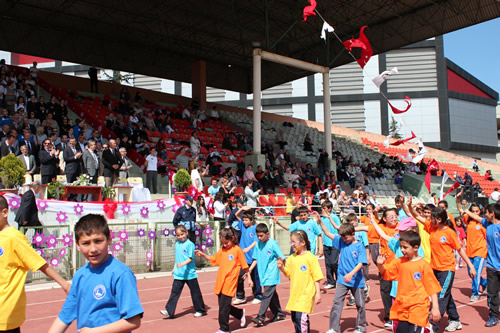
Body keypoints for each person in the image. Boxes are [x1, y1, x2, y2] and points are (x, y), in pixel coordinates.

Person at [48, 214, 143, 332]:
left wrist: (94, 331)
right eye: (86, 243)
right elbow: (65, 316)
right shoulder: (79, 276)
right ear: (77, 245)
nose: (93, 249)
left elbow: (133, 320)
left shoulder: (121, 274)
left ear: (109, 239)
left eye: (98, 241)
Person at [0, 195, 70, 333]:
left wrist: (64, 284)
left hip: (5, 310)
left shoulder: (14, 237)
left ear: (4, 212)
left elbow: (39, 263)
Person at [407, 201, 476, 332]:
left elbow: (460, 250)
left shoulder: (449, 233)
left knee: (441, 296)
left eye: (432, 217)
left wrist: (471, 266)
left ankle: (432, 325)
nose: (429, 219)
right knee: (446, 294)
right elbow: (416, 216)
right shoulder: (431, 227)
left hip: (447, 269)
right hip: (434, 268)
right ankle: (455, 319)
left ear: (439, 219)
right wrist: (410, 206)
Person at [376, 231, 442, 333]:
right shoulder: (399, 262)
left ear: (416, 248)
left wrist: (436, 308)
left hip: (418, 307)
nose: (402, 250)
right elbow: (386, 273)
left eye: (405, 247)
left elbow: (432, 287)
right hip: (402, 306)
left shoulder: (423, 265)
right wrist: (380, 265)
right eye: (401, 247)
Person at [317, 220, 367, 333]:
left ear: (353, 234)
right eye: (343, 238)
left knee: (360, 304)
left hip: (356, 281)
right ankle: (334, 328)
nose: (345, 240)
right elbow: (328, 234)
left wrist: (351, 274)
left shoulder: (359, 246)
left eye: (346, 238)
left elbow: (360, 263)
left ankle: (361, 327)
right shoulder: (341, 241)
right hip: (342, 279)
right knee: (337, 303)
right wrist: (320, 222)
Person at [195, 227, 248, 333]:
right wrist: (204, 255)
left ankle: (224, 328)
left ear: (232, 238)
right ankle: (239, 313)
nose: (224, 245)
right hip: (221, 280)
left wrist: (248, 276)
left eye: (226, 242)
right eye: (222, 243)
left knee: (223, 307)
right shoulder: (222, 250)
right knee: (224, 305)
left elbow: (245, 265)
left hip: (230, 280)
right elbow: (215, 259)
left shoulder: (237, 250)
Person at [458, 201, 500, 327]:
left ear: (492, 213)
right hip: (492, 266)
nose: (484, 214)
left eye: (486, 212)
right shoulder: (487, 224)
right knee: (492, 293)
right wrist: (466, 211)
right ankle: (493, 316)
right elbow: (477, 217)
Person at [277, 230, 323, 333]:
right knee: (295, 320)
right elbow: (288, 273)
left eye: (294, 242)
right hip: (295, 295)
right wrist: (281, 268)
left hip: (306, 295)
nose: (292, 244)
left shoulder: (310, 258)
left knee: (301, 320)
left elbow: (317, 277)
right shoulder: (292, 258)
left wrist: (318, 294)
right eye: (291, 242)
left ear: (303, 243)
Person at [160, 225, 207, 318]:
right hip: (179, 274)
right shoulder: (177, 244)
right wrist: (175, 267)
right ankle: (169, 311)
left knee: (195, 292)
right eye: (178, 235)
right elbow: (177, 258)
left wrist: (182, 264)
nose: (181, 237)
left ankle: (200, 309)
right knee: (174, 293)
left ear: (186, 233)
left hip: (190, 274)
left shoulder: (190, 244)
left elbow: (190, 258)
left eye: (182, 234)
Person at [248, 223, 286, 326]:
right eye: (258, 236)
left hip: (271, 274)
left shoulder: (273, 243)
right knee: (272, 295)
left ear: (267, 234)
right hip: (263, 274)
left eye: (261, 236)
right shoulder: (258, 244)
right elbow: (255, 259)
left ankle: (260, 317)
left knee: (266, 295)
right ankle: (279, 313)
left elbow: (281, 257)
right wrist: (249, 270)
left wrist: (283, 267)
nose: (259, 238)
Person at [233, 208, 262, 305]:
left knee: (254, 278)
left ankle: (258, 295)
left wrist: (248, 248)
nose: (245, 222)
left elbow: (255, 241)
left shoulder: (255, 229)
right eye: (244, 220)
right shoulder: (243, 227)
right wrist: (241, 209)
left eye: (246, 220)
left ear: (251, 220)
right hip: (243, 258)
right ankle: (240, 296)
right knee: (239, 276)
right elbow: (236, 215)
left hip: (252, 256)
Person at [319, 201, 341, 290]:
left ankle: (339, 279)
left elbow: (339, 228)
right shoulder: (322, 220)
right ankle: (331, 281)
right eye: (322, 208)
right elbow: (321, 232)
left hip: (334, 243)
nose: (322, 210)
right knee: (327, 263)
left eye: (324, 208)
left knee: (333, 262)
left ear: (329, 209)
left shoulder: (335, 217)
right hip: (326, 244)